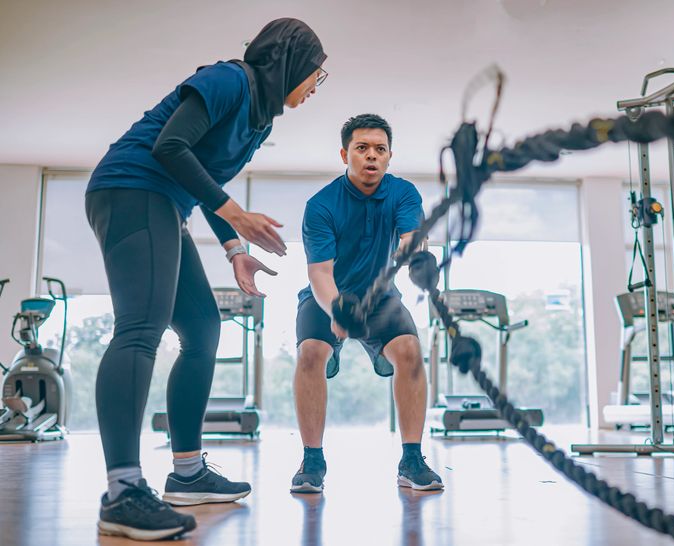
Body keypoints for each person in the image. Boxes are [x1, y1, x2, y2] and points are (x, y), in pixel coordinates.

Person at [84, 18, 327, 541]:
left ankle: (188, 473)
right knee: (140, 328)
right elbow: (169, 148)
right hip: (131, 188)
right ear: (291, 62)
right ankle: (122, 492)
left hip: (164, 204)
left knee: (202, 329)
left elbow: (207, 178)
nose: (315, 85)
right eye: (316, 74)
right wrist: (236, 215)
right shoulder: (229, 80)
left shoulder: (260, 119)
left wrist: (234, 248)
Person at [291, 113, 444, 494]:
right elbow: (320, 273)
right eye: (362, 148)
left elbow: (410, 239)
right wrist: (337, 309)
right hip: (329, 296)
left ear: (389, 157)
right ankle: (312, 461)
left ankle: (411, 458)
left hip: (381, 299)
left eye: (380, 149)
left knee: (409, 350)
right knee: (311, 353)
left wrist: (419, 259)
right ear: (345, 154)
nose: (371, 156)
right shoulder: (321, 205)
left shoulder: (403, 193)